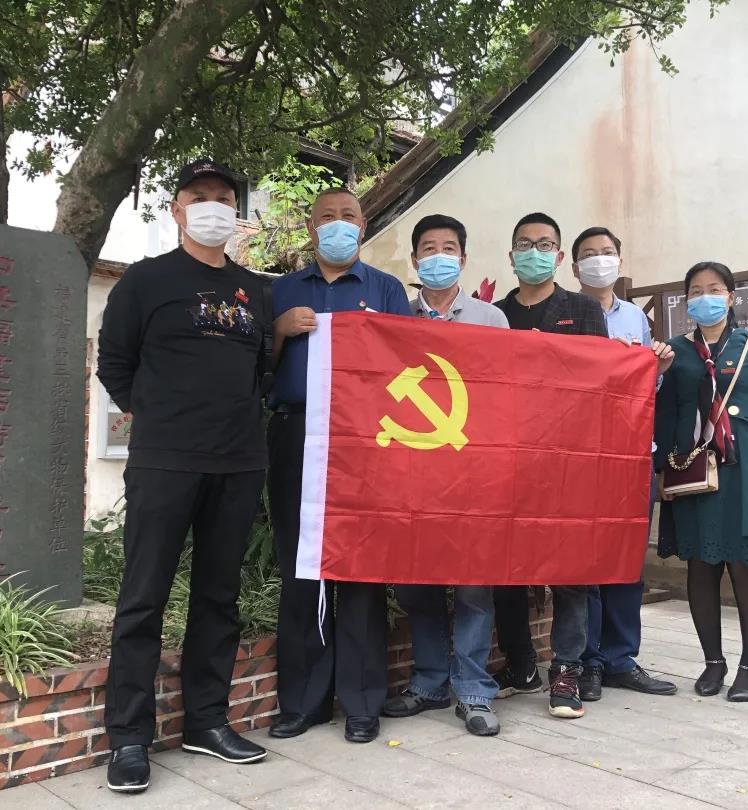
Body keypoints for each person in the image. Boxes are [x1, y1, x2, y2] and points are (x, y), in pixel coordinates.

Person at [97, 160, 271, 794]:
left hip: (238, 461)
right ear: (176, 209)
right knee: (144, 597)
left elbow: (262, 369)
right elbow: (114, 362)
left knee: (219, 597)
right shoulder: (145, 281)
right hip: (164, 460)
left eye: (224, 198)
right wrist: (158, 416)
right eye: (200, 197)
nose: (213, 207)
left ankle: (206, 721)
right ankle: (128, 738)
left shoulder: (256, 290)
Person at [267, 187, 411, 744]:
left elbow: (411, 363)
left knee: (360, 569)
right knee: (301, 566)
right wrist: (278, 333)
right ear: (311, 228)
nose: (337, 224)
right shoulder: (280, 291)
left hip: (365, 441)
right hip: (296, 435)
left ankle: (362, 702)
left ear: (363, 225)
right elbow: (253, 369)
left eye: (348, 216)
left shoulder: (386, 290)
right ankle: (303, 703)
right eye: (326, 216)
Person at [380, 214, 509, 737]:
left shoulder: (491, 318)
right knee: (417, 580)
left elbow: (505, 393)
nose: (438, 256)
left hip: (472, 470)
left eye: (448, 248)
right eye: (428, 248)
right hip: (412, 470)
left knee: (475, 584)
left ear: (464, 257)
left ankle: (474, 689)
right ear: (414, 260)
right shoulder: (394, 318)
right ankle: (430, 681)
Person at [655, 261, 748, 702]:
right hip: (692, 464)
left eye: (714, 289)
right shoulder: (675, 352)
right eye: (695, 290)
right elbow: (665, 414)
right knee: (700, 566)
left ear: (731, 296)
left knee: (744, 566)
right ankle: (713, 663)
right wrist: (662, 471)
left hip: (745, 465)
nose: (705, 297)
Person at [491, 212, 608, 720]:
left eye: (544, 244)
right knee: (505, 567)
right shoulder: (494, 315)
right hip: (506, 457)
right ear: (511, 255)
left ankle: (566, 668)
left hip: (566, 457)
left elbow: (600, 380)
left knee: (569, 568)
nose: (533, 252)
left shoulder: (582, 309)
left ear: (559, 257)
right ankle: (520, 664)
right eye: (524, 244)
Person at [570, 226, 678, 701]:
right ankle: (588, 660)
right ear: (574, 266)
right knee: (587, 561)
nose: (600, 260)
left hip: (633, 453)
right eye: (589, 254)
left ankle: (620, 658)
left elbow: (645, 389)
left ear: (619, 258)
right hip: (581, 454)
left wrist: (659, 368)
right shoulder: (566, 312)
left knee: (628, 558)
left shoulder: (635, 318)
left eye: (607, 252)